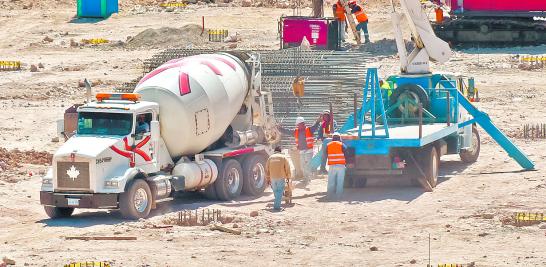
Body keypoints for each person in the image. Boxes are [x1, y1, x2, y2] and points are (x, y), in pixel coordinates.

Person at [278, 116, 321, 185]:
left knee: (307, 165)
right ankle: (306, 178)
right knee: (302, 166)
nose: (298, 126)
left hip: (308, 150)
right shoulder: (296, 131)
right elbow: (287, 131)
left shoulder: (309, 129)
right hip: (301, 151)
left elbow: (315, 126)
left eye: (298, 124)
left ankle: (307, 179)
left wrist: (318, 121)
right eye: (297, 125)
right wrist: (279, 128)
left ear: (303, 123)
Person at [265, 146, 292, 211]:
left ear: (274, 151)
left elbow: (266, 169)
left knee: (276, 191)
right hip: (280, 177)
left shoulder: (270, 158)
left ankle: (277, 204)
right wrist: (288, 177)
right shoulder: (283, 157)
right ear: (280, 151)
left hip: (272, 178)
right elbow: (287, 168)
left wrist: (268, 178)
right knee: (280, 191)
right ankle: (277, 207)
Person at [324, 132, 347, 200]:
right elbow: (346, 152)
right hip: (340, 165)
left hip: (332, 166)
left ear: (332, 138)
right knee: (340, 181)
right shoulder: (341, 144)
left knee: (331, 181)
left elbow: (325, 154)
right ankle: (338, 196)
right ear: (339, 138)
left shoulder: (328, 145)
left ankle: (329, 195)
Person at [317, 110, 338, 174]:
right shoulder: (322, 124)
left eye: (327, 116)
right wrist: (319, 138)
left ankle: (333, 169)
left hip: (332, 141)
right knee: (324, 156)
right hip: (325, 142)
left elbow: (335, 130)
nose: (325, 117)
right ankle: (322, 169)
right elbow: (320, 133)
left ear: (329, 116)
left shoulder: (333, 122)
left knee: (332, 156)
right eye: (324, 116)